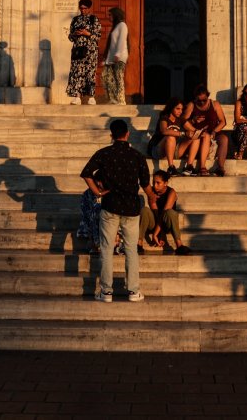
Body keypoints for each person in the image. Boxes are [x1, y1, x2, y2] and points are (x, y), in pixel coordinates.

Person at [82, 119, 154, 302]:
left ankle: (106, 291)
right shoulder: (137, 156)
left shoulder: (104, 153)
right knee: (131, 250)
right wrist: (153, 198)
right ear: (127, 134)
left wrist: (97, 191)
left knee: (106, 249)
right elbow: (146, 186)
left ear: (111, 135)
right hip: (131, 208)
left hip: (110, 206)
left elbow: (86, 173)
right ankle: (133, 291)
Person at [180, 85, 231, 176]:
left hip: (213, 131)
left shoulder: (214, 104)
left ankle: (220, 167)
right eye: (199, 100)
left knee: (224, 139)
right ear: (195, 98)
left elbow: (223, 122)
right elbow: (183, 121)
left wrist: (214, 131)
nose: (202, 102)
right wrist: (193, 121)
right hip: (199, 132)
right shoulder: (192, 105)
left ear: (208, 96)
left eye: (204, 100)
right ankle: (202, 167)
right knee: (205, 136)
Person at [138, 170, 191, 255]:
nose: (155, 185)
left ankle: (179, 245)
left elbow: (163, 214)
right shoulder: (151, 192)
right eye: (154, 182)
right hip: (156, 222)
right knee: (145, 210)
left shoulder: (171, 192)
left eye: (158, 183)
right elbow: (155, 213)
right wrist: (159, 234)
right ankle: (139, 244)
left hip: (167, 223)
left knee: (170, 212)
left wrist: (157, 234)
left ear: (165, 183)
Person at [66, 0, 102, 104]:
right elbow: (70, 37)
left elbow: (98, 36)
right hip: (78, 50)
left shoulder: (93, 19)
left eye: (85, 8)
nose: (82, 10)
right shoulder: (75, 20)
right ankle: (77, 97)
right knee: (77, 72)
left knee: (90, 73)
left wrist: (88, 34)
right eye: (81, 8)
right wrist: (74, 34)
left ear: (89, 8)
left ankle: (91, 97)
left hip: (90, 51)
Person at [150, 98, 197, 174]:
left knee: (195, 138)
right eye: (177, 109)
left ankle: (189, 166)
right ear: (171, 107)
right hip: (158, 150)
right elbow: (164, 131)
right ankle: (171, 167)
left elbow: (194, 130)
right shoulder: (164, 117)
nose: (180, 111)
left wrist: (202, 132)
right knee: (170, 137)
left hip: (173, 150)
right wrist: (183, 134)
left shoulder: (180, 119)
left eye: (181, 109)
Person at [103, 7, 129, 105]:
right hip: (113, 57)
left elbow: (121, 41)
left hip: (120, 56)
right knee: (109, 78)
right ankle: (114, 98)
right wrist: (107, 58)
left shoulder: (122, 25)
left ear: (115, 15)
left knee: (118, 77)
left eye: (110, 15)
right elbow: (111, 44)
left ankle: (121, 100)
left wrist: (117, 54)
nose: (108, 17)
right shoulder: (116, 26)